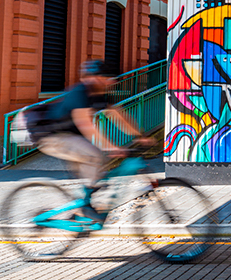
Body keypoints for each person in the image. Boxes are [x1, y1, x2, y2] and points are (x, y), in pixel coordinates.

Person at [35, 59, 151, 221]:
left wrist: (140, 136)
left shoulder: (100, 93)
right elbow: (86, 125)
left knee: (96, 177)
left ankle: (78, 215)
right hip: (54, 137)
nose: (109, 82)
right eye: (105, 78)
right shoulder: (79, 93)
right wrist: (111, 147)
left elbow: (118, 116)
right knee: (96, 156)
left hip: (71, 139)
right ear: (96, 78)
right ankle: (86, 208)